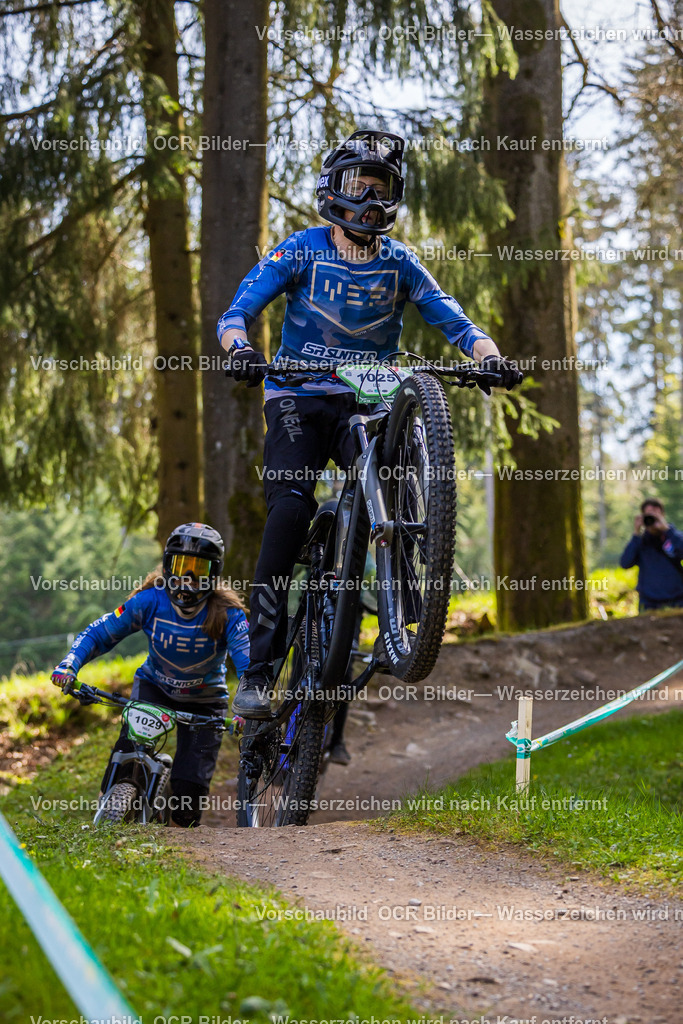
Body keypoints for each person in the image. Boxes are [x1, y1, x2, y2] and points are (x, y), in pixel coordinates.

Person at [217, 128, 523, 719]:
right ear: (333, 189)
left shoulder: (400, 264)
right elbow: (238, 312)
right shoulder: (300, 249)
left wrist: (488, 356)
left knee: (399, 465)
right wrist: (239, 351)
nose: (370, 200)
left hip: (367, 395)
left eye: (382, 189)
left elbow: (455, 320)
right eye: (359, 185)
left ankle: (402, 602)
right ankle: (257, 671)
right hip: (298, 394)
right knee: (289, 508)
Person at [51, 523, 249, 827]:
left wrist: (246, 708)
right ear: (168, 565)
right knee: (125, 759)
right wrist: (69, 665)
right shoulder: (149, 601)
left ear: (215, 573)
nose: (188, 578)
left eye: (199, 569)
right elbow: (99, 633)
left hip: (206, 704)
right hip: (153, 688)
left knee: (187, 804)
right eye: (181, 566)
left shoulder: (228, 614)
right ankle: (109, 819)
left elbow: (248, 664)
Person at [619, 498, 683, 611]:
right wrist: (636, 533)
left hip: (677, 600)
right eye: (649, 515)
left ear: (663, 515)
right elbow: (625, 563)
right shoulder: (640, 541)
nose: (652, 518)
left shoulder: (674, 536)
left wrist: (668, 531)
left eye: (656, 515)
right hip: (649, 603)